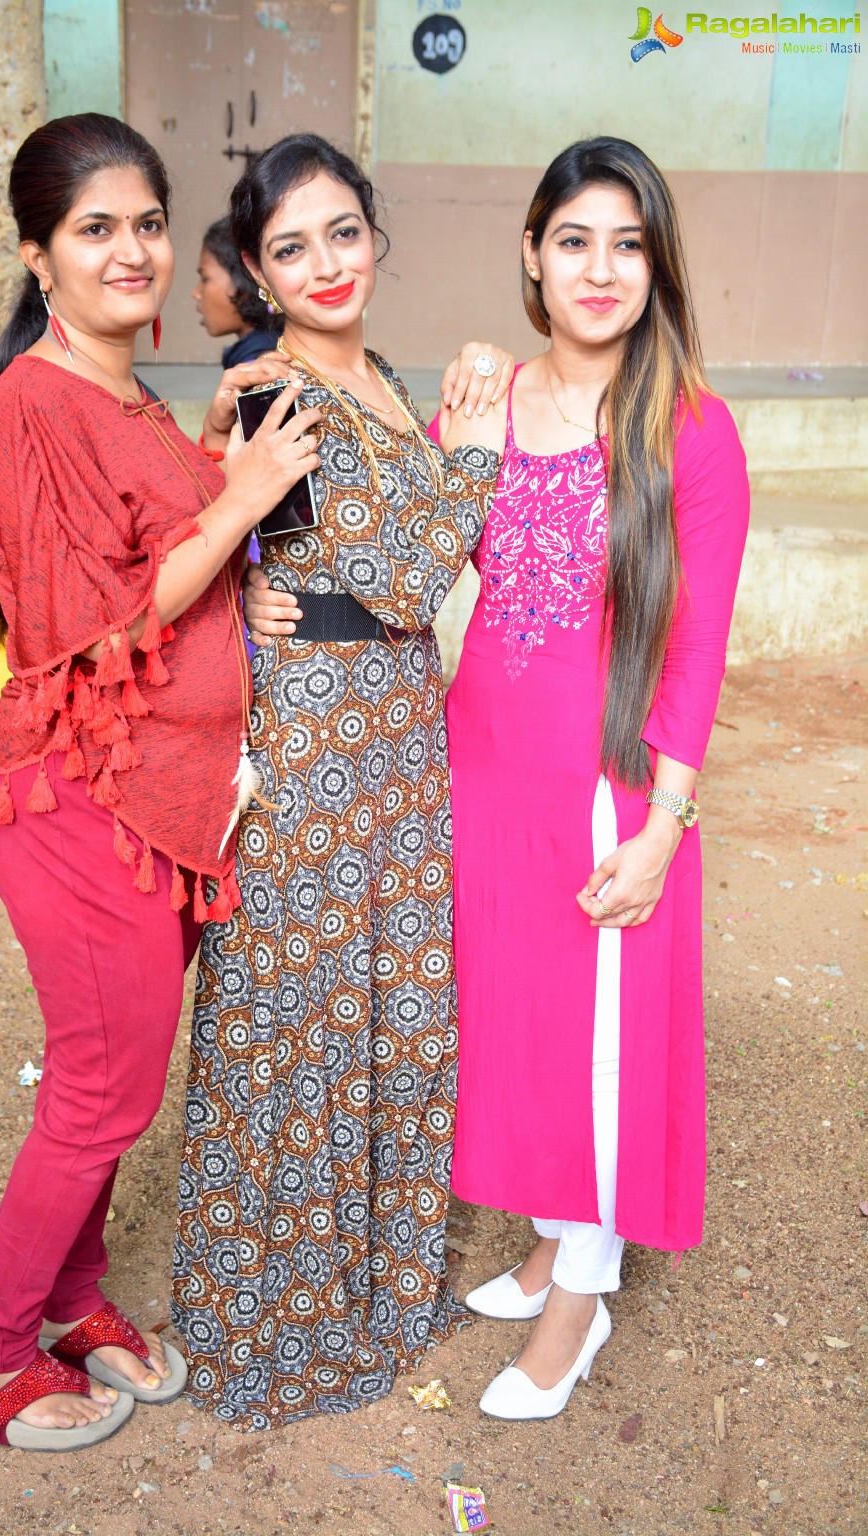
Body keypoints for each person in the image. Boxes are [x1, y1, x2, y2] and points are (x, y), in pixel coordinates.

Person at [245, 135, 750, 1423]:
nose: (600, 270)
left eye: (628, 245)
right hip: (477, 773)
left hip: (606, 786)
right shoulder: (483, 398)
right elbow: (391, 545)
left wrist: (665, 823)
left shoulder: (689, 427)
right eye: (574, 240)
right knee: (517, 1026)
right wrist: (262, 579)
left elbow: (695, 642)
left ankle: (580, 1301)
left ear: (656, 265)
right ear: (530, 254)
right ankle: (548, 1240)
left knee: (598, 1043)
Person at [0, 112, 322, 1452]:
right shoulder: (26, 410)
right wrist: (248, 489)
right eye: (96, 228)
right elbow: (85, 627)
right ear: (37, 254)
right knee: (104, 1092)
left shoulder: (128, 391)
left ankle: (77, 1298)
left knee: (116, 1082)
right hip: (73, 802)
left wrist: (217, 471)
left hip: (156, 803)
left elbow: (172, 559)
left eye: (148, 223)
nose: (133, 251)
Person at [170, 132, 510, 1429]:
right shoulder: (279, 398)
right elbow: (416, 575)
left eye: (342, 233)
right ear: (259, 273)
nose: (324, 264)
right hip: (318, 757)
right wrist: (473, 457)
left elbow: (393, 568)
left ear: (376, 233)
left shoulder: (371, 374)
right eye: (290, 248)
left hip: (399, 744)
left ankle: (378, 1278)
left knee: (391, 1005)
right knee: (305, 1016)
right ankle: (281, 1313)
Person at [192, 215, 281, 367]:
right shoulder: (254, 351)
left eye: (205, 279)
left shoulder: (261, 366)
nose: (196, 293)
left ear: (245, 279)